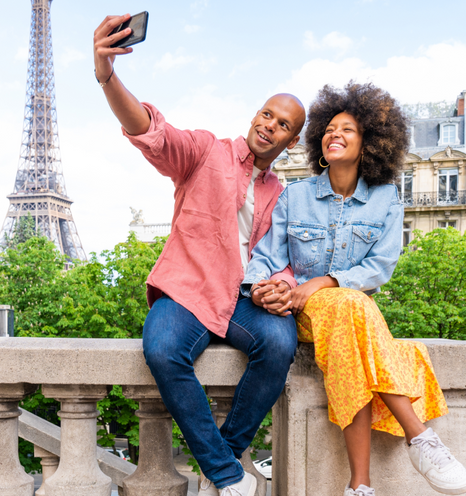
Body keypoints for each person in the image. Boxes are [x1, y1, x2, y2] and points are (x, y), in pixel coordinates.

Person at [93, 14, 306, 496]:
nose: (269, 125)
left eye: (283, 125)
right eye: (266, 114)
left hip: (244, 299)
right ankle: (230, 475)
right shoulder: (206, 152)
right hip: (188, 292)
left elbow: (288, 257)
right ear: (255, 115)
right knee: (163, 349)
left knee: (279, 344)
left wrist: (284, 286)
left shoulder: (284, 195)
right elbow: (151, 132)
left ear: (292, 141)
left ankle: (221, 463)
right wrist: (107, 74)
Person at [242, 82, 466, 496]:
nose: (335, 134)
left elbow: (380, 266)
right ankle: (419, 438)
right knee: (350, 308)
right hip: (305, 315)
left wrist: (325, 281)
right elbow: (265, 255)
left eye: (348, 129)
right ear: (318, 140)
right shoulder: (295, 196)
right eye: (330, 128)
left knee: (349, 313)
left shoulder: (387, 199)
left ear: (369, 142)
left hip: (349, 320)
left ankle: (360, 486)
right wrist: (259, 287)